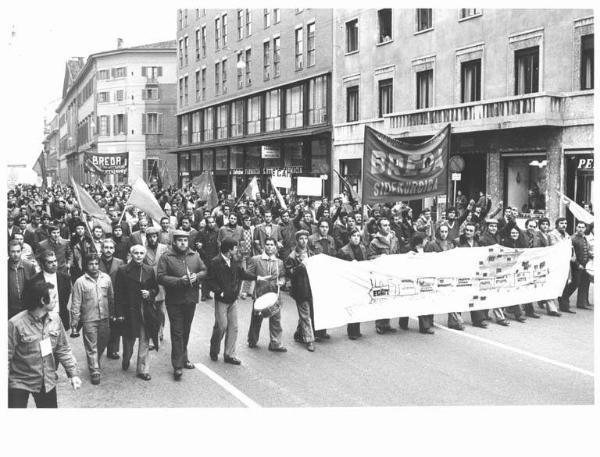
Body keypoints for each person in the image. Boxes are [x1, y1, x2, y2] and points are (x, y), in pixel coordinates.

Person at [8, 281, 81, 408]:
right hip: (20, 381)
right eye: (53, 297)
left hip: (46, 380)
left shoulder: (55, 319)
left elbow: (62, 348)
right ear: (43, 300)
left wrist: (73, 374)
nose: (56, 300)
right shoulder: (15, 324)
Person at [157, 230, 207, 381]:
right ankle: (177, 366)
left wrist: (196, 276)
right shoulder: (167, 256)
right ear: (174, 242)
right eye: (180, 240)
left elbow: (204, 270)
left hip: (190, 299)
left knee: (186, 330)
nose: (183, 243)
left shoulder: (195, 256)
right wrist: (179, 281)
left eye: (185, 240)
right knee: (177, 332)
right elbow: (160, 277)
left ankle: (184, 358)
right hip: (174, 300)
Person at [206, 238, 258, 365]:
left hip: (232, 300)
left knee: (233, 327)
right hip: (221, 300)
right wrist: (219, 291)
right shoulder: (215, 262)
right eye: (235, 248)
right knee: (222, 326)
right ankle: (214, 349)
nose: (237, 249)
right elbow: (209, 280)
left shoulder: (234, 261)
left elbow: (242, 274)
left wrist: (258, 277)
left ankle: (229, 354)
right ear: (229, 249)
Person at [114, 244, 161, 381]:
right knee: (128, 341)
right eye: (136, 253)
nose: (139, 256)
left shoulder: (149, 270)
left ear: (144, 255)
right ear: (131, 254)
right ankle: (126, 358)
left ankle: (143, 369)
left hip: (144, 311)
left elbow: (155, 288)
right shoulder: (123, 271)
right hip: (129, 311)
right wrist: (119, 313)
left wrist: (150, 293)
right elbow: (118, 294)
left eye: (141, 253)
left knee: (144, 340)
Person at [70, 254, 114, 385]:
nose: (94, 267)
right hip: (89, 319)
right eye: (91, 264)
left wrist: (113, 314)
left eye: (96, 264)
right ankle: (94, 370)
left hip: (105, 317)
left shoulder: (106, 278)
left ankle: (95, 360)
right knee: (91, 346)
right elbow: (76, 303)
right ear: (86, 265)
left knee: (103, 342)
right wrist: (74, 323)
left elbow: (111, 297)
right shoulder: (80, 282)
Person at [424, 223, 469, 330]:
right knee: (432, 299)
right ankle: (428, 322)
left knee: (453, 298)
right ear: (438, 232)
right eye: (442, 231)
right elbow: (426, 261)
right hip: (435, 275)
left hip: (449, 274)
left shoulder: (450, 244)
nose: (444, 234)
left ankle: (454, 321)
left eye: (446, 232)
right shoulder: (432, 244)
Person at [247, 237, 287, 352]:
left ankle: (276, 344)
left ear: (275, 247)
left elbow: (283, 275)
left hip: (274, 295)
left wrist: (282, 281)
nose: (269, 247)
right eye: (267, 244)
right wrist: (245, 291)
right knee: (256, 319)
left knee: (276, 319)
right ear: (264, 246)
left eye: (272, 245)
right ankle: (252, 340)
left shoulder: (279, 262)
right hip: (260, 294)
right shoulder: (256, 260)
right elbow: (248, 275)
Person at [367, 217, 400, 334]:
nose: (387, 227)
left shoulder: (394, 239)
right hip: (380, 274)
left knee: (390, 298)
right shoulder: (374, 242)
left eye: (388, 225)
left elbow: (397, 253)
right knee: (381, 298)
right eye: (384, 225)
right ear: (379, 228)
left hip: (392, 273)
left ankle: (387, 323)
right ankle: (380, 324)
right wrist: (381, 258)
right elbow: (370, 257)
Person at [476, 219, 511, 325]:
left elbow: (508, 228)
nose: (493, 228)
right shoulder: (483, 239)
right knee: (488, 291)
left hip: (497, 267)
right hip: (487, 268)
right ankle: (494, 316)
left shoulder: (498, 236)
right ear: (487, 227)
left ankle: (495, 316)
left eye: (495, 226)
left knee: (495, 291)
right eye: (491, 226)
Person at [286, 230, 317, 351]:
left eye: (305, 238)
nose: (304, 241)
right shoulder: (292, 256)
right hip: (300, 289)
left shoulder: (311, 253)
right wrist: (301, 266)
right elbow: (290, 273)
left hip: (311, 288)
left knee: (306, 314)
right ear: (297, 240)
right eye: (301, 239)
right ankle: (309, 340)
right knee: (305, 315)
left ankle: (299, 333)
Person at [455, 222, 490, 327]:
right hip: (462, 272)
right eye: (467, 230)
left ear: (475, 232)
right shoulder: (458, 242)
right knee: (460, 296)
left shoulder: (478, 243)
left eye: (471, 230)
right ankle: (456, 321)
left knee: (475, 295)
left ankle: (478, 320)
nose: (468, 232)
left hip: (475, 272)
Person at [399, 232, 435, 334]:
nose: (426, 241)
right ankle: (403, 322)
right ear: (420, 241)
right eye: (425, 239)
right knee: (407, 300)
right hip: (409, 279)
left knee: (422, 301)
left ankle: (425, 326)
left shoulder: (426, 249)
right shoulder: (407, 249)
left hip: (422, 279)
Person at [27, 250, 72, 330]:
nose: (54, 264)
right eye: (50, 262)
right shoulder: (34, 280)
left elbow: (67, 298)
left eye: (55, 261)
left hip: (61, 317)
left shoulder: (65, 278)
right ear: (43, 264)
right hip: (42, 318)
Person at [337, 228, 367, 340]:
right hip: (349, 282)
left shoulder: (363, 248)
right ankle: (351, 331)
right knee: (352, 306)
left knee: (359, 306)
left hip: (360, 280)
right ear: (349, 238)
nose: (356, 238)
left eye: (358, 236)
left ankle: (357, 330)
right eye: (354, 236)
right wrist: (350, 265)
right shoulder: (343, 251)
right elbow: (339, 267)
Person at [98, 238, 125, 359]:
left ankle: (113, 350)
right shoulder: (96, 262)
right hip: (99, 296)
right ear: (102, 249)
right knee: (101, 325)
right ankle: (99, 349)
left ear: (114, 250)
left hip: (115, 296)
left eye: (111, 248)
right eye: (106, 247)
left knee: (115, 324)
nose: (108, 250)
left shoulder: (120, 262)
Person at [143, 226, 169, 342]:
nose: (152, 239)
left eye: (154, 237)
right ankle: (153, 333)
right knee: (151, 310)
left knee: (161, 310)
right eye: (150, 237)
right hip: (149, 283)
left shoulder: (164, 248)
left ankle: (160, 331)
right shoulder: (143, 250)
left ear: (157, 237)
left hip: (162, 282)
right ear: (147, 238)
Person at [560, 221, 592, 312]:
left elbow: (586, 250)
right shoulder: (573, 239)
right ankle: (563, 301)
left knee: (584, 284)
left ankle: (581, 303)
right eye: (579, 227)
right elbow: (571, 254)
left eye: (582, 227)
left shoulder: (584, 237)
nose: (580, 229)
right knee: (574, 284)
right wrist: (578, 265)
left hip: (585, 265)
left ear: (585, 229)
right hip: (576, 266)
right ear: (576, 228)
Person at [500, 224, 528, 323]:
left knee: (515, 291)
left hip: (518, 271)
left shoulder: (522, 243)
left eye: (516, 233)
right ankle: (505, 311)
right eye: (512, 233)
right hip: (507, 270)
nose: (514, 234)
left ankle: (517, 313)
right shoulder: (505, 243)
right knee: (506, 291)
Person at [8, 240, 38, 319]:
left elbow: (35, 288)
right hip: (10, 311)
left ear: (21, 251)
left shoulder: (29, 266)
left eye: (18, 251)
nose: (16, 254)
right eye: (13, 252)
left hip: (26, 309)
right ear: (8, 252)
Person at [197, 216, 219, 301]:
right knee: (204, 276)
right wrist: (203, 254)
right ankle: (203, 294)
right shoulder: (202, 232)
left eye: (213, 222)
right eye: (209, 222)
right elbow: (198, 245)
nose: (211, 224)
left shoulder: (217, 232)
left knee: (212, 275)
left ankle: (208, 293)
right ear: (206, 223)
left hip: (214, 257)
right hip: (205, 257)